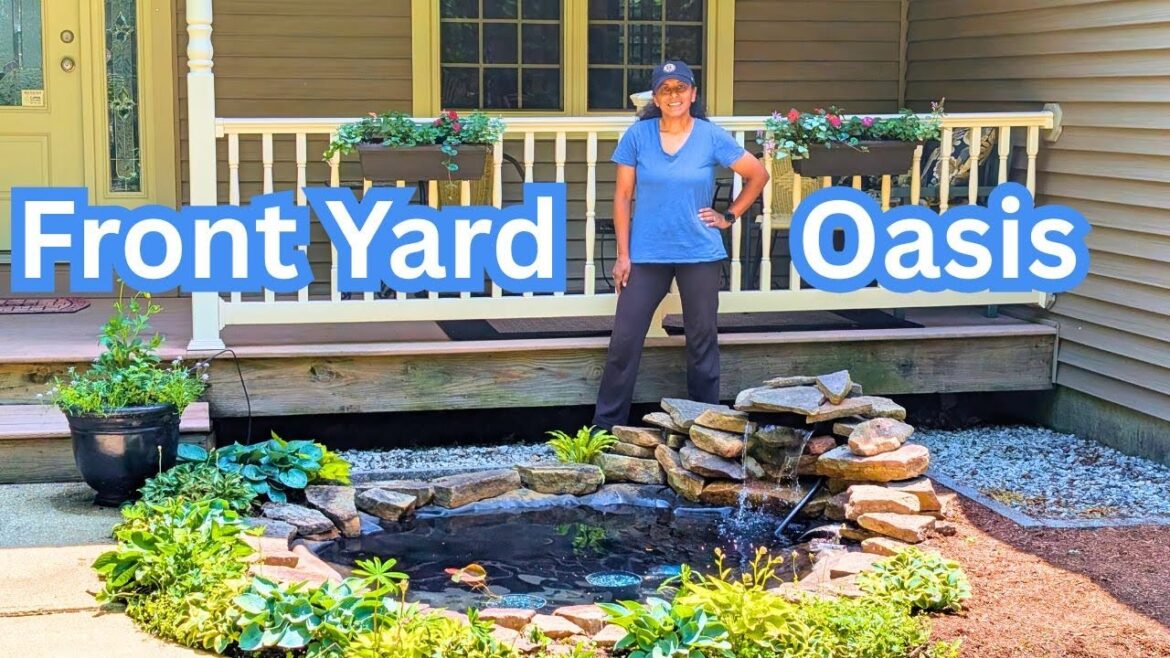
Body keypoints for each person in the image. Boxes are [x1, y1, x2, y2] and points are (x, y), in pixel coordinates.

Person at [592, 60, 770, 430]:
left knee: (701, 341)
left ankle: (707, 429)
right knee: (624, 340)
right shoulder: (637, 136)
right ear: (655, 98)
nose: (673, 95)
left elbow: (758, 174)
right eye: (665, 89)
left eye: (680, 88)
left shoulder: (711, 136)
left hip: (699, 252)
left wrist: (729, 216)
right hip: (645, 253)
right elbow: (623, 197)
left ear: (693, 94)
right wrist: (623, 256)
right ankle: (603, 431)